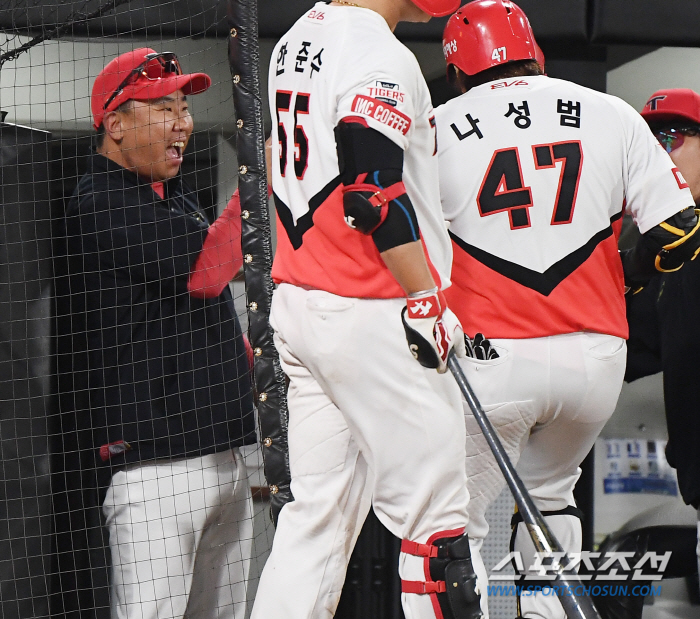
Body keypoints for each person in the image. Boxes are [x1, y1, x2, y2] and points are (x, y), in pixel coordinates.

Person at [434, 3, 700, 618]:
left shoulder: (437, 124)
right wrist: (621, 278)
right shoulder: (610, 113)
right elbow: (681, 233)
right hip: (594, 360)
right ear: (538, 55)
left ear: (456, 73)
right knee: (551, 498)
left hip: (489, 356)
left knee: (459, 520)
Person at [250, 2, 486, 619]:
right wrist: (424, 296)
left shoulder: (299, 33)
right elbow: (370, 193)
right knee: (438, 533)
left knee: (314, 523)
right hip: (374, 310)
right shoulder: (377, 50)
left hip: (302, 303)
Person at [60, 48, 256, 619]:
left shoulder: (176, 198)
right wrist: (270, 168)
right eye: (162, 106)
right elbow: (209, 269)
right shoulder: (99, 201)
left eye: (184, 106)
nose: (183, 122)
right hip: (153, 469)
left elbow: (216, 307)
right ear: (115, 125)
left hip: (223, 454)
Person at [626, 87, 700, 580]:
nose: (659, 154)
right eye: (649, 143)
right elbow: (631, 347)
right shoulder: (669, 252)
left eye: (671, 138)